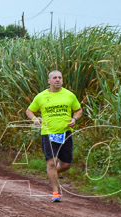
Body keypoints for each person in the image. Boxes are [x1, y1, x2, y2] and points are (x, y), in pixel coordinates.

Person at [25, 70, 83, 203]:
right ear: (49, 81)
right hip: (48, 133)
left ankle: (51, 175)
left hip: (65, 133)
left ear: (62, 80)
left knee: (66, 164)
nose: (57, 80)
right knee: (51, 162)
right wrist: (34, 119)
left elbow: (78, 110)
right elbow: (29, 110)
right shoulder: (41, 96)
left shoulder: (69, 95)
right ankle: (55, 192)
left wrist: (75, 119)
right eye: (54, 78)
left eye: (60, 78)